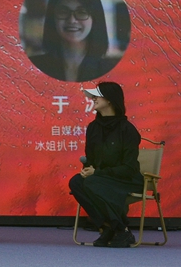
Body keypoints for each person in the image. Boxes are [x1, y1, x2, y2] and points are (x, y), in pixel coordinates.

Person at [69, 82, 144, 248]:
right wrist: (88, 170)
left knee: (93, 182)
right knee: (76, 182)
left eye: (97, 95)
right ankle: (109, 227)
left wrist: (97, 173)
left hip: (126, 179)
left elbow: (128, 168)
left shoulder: (127, 130)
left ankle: (120, 229)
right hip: (100, 177)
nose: (93, 99)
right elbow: (90, 159)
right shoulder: (93, 128)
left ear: (110, 99)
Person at [31, 0, 117, 82]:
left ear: (95, 19)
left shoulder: (111, 71)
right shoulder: (32, 67)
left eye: (81, 12)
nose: (72, 20)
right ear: (52, 18)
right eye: (63, 12)